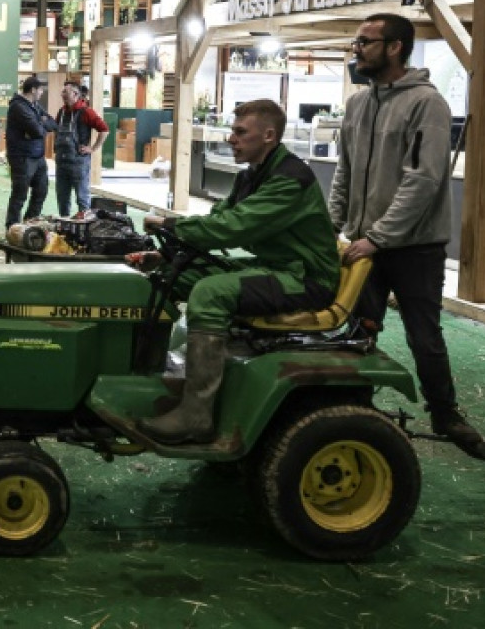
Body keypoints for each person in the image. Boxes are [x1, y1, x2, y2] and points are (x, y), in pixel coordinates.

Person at [128, 99, 340, 444]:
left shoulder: (289, 179)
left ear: (268, 135)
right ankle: (147, 374)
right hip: (278, 268)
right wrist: (164, 254)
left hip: (305, 279)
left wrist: (171, 225)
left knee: (210, 292)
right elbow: (217, 219)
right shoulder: (252, 176)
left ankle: (196, 414)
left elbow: (233, 228)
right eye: (233, 130)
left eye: (241, 132)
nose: (231, 138)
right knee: (175, 276)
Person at [329, 12, 483, 452]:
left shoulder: (426, 104)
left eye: (366, 42)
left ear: (395, 47)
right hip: (362, 242)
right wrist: (332, 226)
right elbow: (346, 171)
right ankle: (352, 410)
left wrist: (379, 236)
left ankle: (445, 415)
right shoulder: (359, 102)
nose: (356, 49)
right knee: (357, 330)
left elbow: (424, 179)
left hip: (415, 248)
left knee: (424, 335)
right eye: (357, 42)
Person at [4, 75, 58, 230]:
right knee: (20, 194)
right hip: (22, 156)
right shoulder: (18, 106)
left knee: (41, 191)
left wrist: (41, 122)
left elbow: (52, 123)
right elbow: (37, 132)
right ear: (33, 90)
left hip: (38, 156)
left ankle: (29, 224)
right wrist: (41, 124)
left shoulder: (34, 105)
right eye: (40, 90)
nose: (42, 92)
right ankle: (12, 228)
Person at [53, 82, 109, 217]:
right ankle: (64, 227)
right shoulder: (61, 112)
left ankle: (83, 230)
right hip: (61, 163)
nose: (63, 95)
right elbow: (56, 131)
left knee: (82, 199)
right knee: (62, 199)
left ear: (76, 94)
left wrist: (93, 148)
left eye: (66, 92)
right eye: (63, 92)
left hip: (79, 163)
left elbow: (104, 129)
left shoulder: (86, 111)